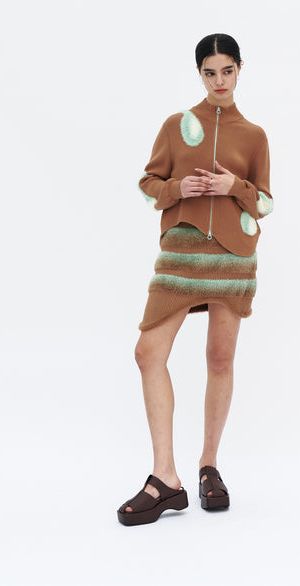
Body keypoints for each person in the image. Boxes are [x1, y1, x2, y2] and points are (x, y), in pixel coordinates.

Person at [117, 33, 273, 526]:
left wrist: (234, 186)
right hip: (182, 252)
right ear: (199, 74)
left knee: (220, 358)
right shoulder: (176, 125)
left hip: (233, 256)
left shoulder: (254, 135)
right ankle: (165, 478)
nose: (219, 80)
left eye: (227, 70)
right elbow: (148, 185)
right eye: (210, 72)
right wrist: (177, 188)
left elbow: (265, 202)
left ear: (240, 69)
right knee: (148, 352)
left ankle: (208, 466)